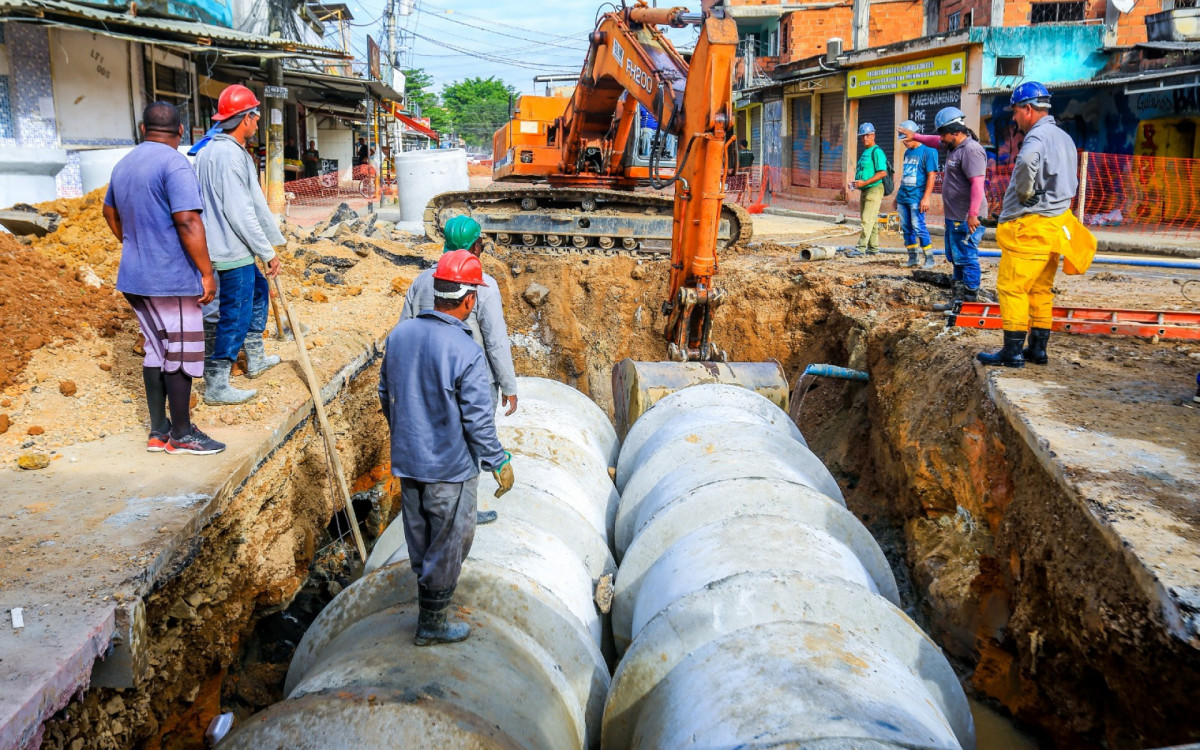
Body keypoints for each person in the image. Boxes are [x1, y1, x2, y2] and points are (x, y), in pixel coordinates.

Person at [379, 249, 516, 646]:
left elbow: (386, 394)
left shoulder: (400, 336)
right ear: (469, 300)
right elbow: (477, 421)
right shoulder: (466, 351)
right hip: (450, 469)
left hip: (408, 462)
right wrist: (498, 461)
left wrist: (409, 433)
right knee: (450, 540)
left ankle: (427, 606)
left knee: (420, 536)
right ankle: (433, 623)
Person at [102, 102, 225, 455]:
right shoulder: (175, 163)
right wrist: (206, 272)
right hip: (171, 279)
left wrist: (135, 245)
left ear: (143, 129)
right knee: (182, 352)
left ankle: (159, 432)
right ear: (181, 131)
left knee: (156, 350)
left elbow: (109, 212)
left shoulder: (124, 164)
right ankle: (182, 435)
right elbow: (187, 221)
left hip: (135, 277)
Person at [401, 215, 519, 526]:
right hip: (473, 380)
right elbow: (495, 341)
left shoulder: (422, 281)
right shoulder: (483, 287)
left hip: (427, 379)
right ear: (474, 247)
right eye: (480, 243)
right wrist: (508, 386)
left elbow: (405, 329)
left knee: (432, 440)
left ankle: (432, 505)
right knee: (470, 446)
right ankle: (464, 512)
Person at [977, 82, 1095, 368]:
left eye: (1016, 112)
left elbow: (1028, 161)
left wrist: (1024, 192)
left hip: (1031, 227)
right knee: (1040, 290)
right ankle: (1038, 350)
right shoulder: (1063, 137)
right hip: (1054, 225)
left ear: (1027, 109)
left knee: (1012, 287)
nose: (1015, 119)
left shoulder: (1036, 137)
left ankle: (1012, 352)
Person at [195, 84, 285, 405]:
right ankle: (217, 383)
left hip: (214, 245)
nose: (258, 122)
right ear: (245, 118)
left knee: (258, 291)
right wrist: (267, 251)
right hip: (232, 249)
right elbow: (242, 212)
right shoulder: (232, 156)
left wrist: (270, 242)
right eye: (256, 116)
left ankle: (255, 356)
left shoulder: (206, 152)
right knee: (235, 313)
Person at [899, 108, 988, 310]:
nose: (940, 138)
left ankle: (969, 304)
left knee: (966, 257)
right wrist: (915, 136)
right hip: (954, 217)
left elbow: (977, 185)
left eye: (942, 133)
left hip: (966, 218)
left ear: (955, 131)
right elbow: (933, 141)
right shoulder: (953, 146)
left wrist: (973, 214)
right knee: (956, 258)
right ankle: (957, 302)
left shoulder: (971, 150)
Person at [895, 119, 940, 269]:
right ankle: (913, 258)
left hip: (917, 198)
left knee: (918, 226)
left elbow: (931, 176)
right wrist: (897, 197)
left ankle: (929, 259)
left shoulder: (929, 151)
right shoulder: (907, 153)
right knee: (906, 227)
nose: (904, 142)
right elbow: (905, 176)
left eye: (906, 138)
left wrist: (926, 198)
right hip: (904, 197)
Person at [844, 122, 888, 258]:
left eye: (867, 135)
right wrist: (856, 184)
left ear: (873, 135)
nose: (865, 138)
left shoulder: (877, 152)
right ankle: (873, 248)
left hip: (874, 189)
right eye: (862, 136)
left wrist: (865, 182)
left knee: (866, 220)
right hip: (865, 189)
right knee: (871, 220)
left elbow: (882, 173)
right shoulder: (865, 152)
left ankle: (861, 248)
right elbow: (865, 172)